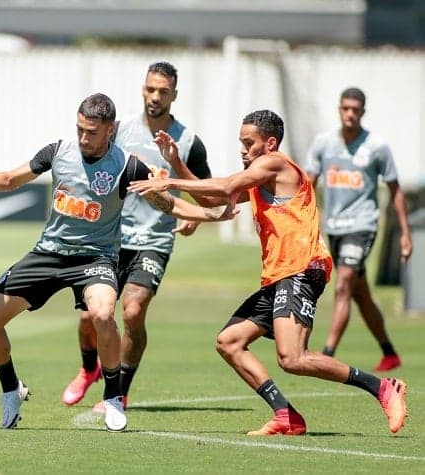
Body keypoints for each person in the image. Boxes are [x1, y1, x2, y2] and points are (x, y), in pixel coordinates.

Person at [0, 92, 236, 433]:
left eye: (91, 131)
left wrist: (211, 214)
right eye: (79, 129)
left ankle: (114, 397)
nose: (83, 138)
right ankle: (11, 389)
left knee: (103, 314)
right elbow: (10, 180)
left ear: (110, 130)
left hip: (96, 258)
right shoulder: (58, 151)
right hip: (49, 252)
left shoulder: (126, 165)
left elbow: (168, 204)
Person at [129, 110, 408, 435]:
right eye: (241, 143)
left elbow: (228, 184)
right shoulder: (260, 178)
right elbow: (213, 197)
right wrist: (176, 163)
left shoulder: (276, 164)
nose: (242, 149)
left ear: (270, 143)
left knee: (292, 358)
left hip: (302, 269)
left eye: (249, 143)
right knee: (230, 342)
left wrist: (169, 181)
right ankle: (285, 415)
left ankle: (383, 388)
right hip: (279, 277)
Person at [61, 62, 213, 412]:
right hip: (109, 240)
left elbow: (206, 193)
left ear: (175, 94)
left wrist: (196, 218)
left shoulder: (188, 142)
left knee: (132, 312)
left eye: (162, 91)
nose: (154, 97)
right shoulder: (121, 129)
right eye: (149, 89)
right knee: (88, 318)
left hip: (153, 241)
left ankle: (119, 393)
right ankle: (88, 370)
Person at [305, 87, 412, 371]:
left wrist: (405, 233)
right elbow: (307, 185)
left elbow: (395, 190)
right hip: (334, 228)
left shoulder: (377, 147)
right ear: (339, 109)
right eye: (345, 108)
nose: (350, 114)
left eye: (355, 109)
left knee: (344, 283)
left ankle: (327, 352)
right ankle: (389, 352)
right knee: (359, 293)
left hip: (363, 225)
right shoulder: (324, 144)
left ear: (363, 112)